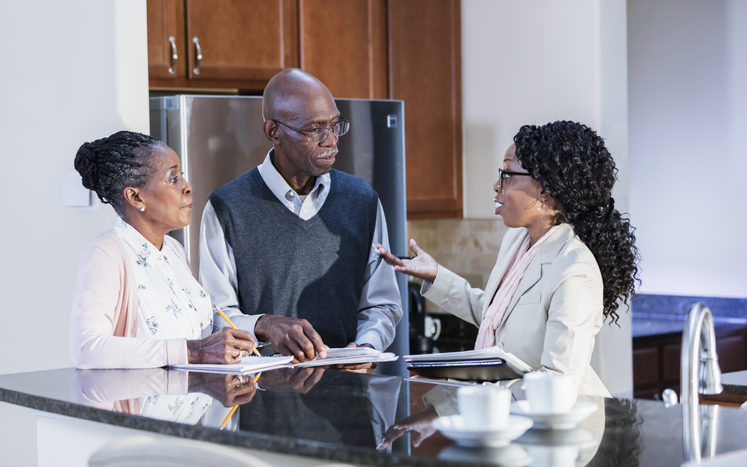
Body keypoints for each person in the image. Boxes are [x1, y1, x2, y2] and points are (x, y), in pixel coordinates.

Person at [377, 121, 640, 397]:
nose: (496, 185)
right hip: (517, 423)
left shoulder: (575, 269)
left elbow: (557, 384)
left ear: (545, 189)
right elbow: (498, 316)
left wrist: (466, 375)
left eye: (507, 174)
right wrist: (435, 275)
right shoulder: (517, 241)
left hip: (561, 430)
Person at [199, 68, 402, 362]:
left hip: (346, 398)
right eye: (314, 129)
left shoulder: (362, 200)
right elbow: (215, 315)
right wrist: (264, 324)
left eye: (335, 125)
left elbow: (382, 304)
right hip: (258, 399)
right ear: (273, 132)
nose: (331, 140)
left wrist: (366, 348)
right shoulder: (226, 206)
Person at [70, 131, 256, 369]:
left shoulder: (174, 251)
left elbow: (200, 330)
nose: (187, 187)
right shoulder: (106, 254)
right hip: (142, 405)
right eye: (173, 178)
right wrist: (195, 351)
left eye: (182, 176)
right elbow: (86, 349)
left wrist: (256, 328)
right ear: (135, 197)